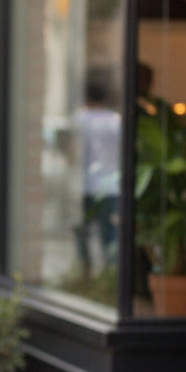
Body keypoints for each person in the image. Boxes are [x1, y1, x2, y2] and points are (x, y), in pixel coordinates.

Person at [72, 76, 122, 274]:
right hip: (110, 185)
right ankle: (109, 275)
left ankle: (86, 272)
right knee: (108, 234)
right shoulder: (115, 120)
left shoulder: (80, 119)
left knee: (82, 232)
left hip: (86, 185)